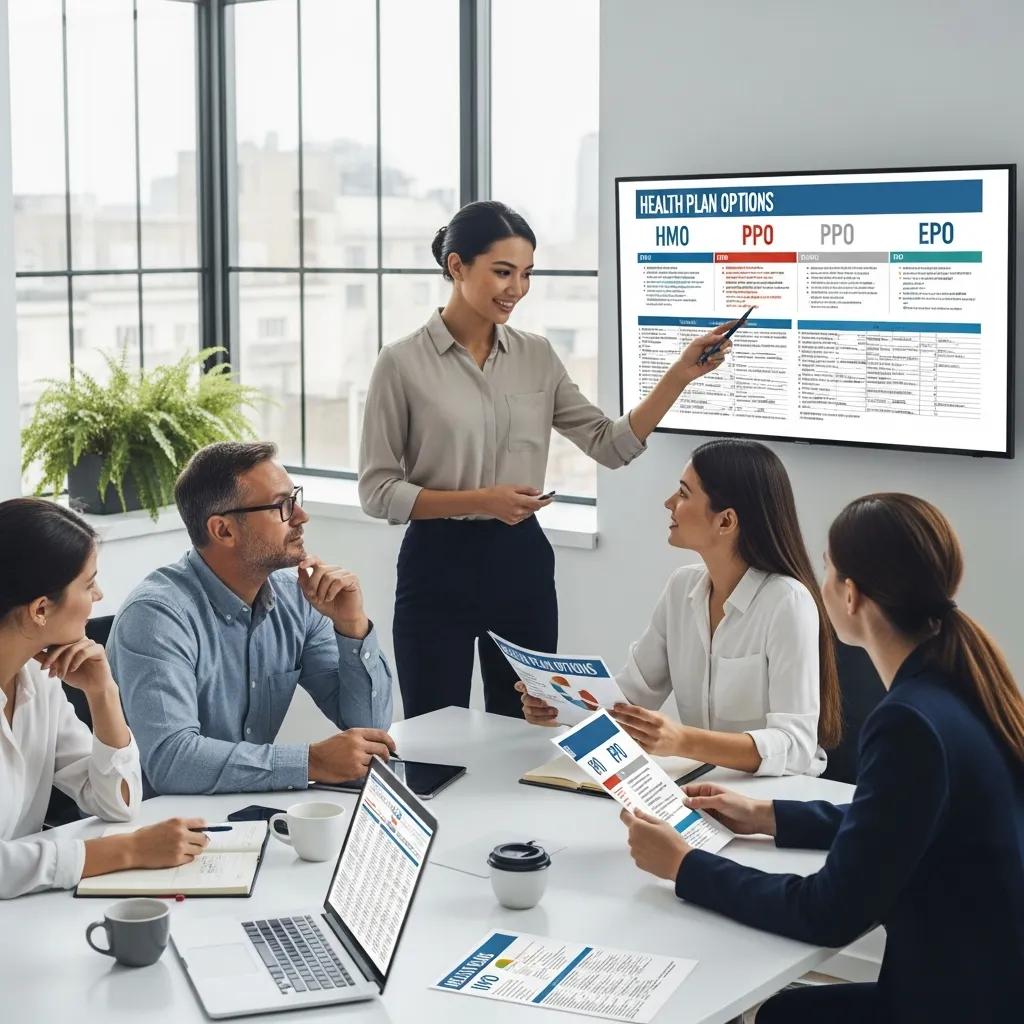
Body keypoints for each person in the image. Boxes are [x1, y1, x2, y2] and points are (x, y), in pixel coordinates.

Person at [621, 493, 1024, 1022]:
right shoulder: (966, 682)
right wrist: (771, 816)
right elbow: (900, 818)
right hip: (989, 989)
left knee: (774, 1015)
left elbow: (827, 912)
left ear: (851, 595)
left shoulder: (908, 721)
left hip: (951, 1005)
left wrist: (685, 865)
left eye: (829, 570)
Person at [359, 199, 734, 718]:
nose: (517, 289)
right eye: (503, 272)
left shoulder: (537, 356)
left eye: (528, 274)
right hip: (435, 564)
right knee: (432, 732)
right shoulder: (400, 363)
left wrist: (678, 376)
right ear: (457, 266)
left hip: (520, 563)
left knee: (527, 725)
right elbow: (377, 491)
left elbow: (609, 443)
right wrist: (480, 501)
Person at [519, 439, 841, 776]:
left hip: (778, 795)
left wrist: (683, 741)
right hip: (702, 782)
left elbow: (796, 746)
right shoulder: (682, 588)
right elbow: (631, 698)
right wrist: (557, 705)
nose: (669, 502)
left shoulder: (787, 602)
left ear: (726, 521)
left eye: (684, 493)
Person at [108, 442, 395, 795]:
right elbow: (172, 762)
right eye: (282, 506)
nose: (302, 516)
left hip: (244, 812)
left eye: (295, 499)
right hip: (154, 825)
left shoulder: (297, 599)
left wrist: (352, 627)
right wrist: (312, 761)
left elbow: (370, 729)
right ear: (223, 530)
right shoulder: (156, 618)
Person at [0, 498, 210, 899]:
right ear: (41, 609)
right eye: (88, 582)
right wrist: (125, 851)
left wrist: (103, 693)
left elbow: (116, 803)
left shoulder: (36, 679)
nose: (99, 595)